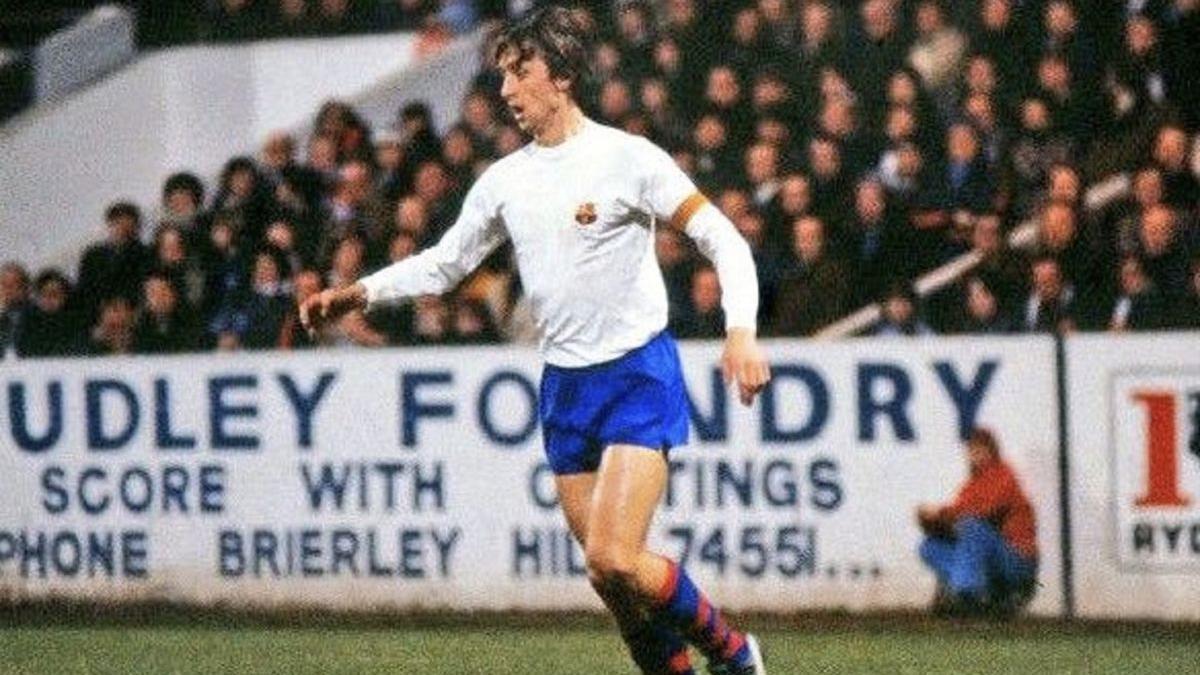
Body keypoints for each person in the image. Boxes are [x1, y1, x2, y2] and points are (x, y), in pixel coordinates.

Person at [299, 9, 770, 674]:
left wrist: (741, 332)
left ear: (565, 77)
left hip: (638, 374)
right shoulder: (506, 181)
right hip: (565, 384)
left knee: (614, 555)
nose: (507, 90)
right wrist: (361, 291)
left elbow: (722, 238)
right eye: (502, 76)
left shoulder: (628, 158)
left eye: (521, 73)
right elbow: (444, 262)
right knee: (610, 582)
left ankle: (733, 650)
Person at [917, 428, 1038, 617]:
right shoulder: (972, 485)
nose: (975, 455)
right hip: (990, 560)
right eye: (971, 451)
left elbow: (985, 512)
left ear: (992, 451)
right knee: (929, 547)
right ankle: (977, 592)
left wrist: (943, 515)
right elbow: (958, 513)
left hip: (1017, 561)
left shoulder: (1004, 475)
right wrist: (935, 520)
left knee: (973, 527)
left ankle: (967, 596)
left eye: (980, 450)